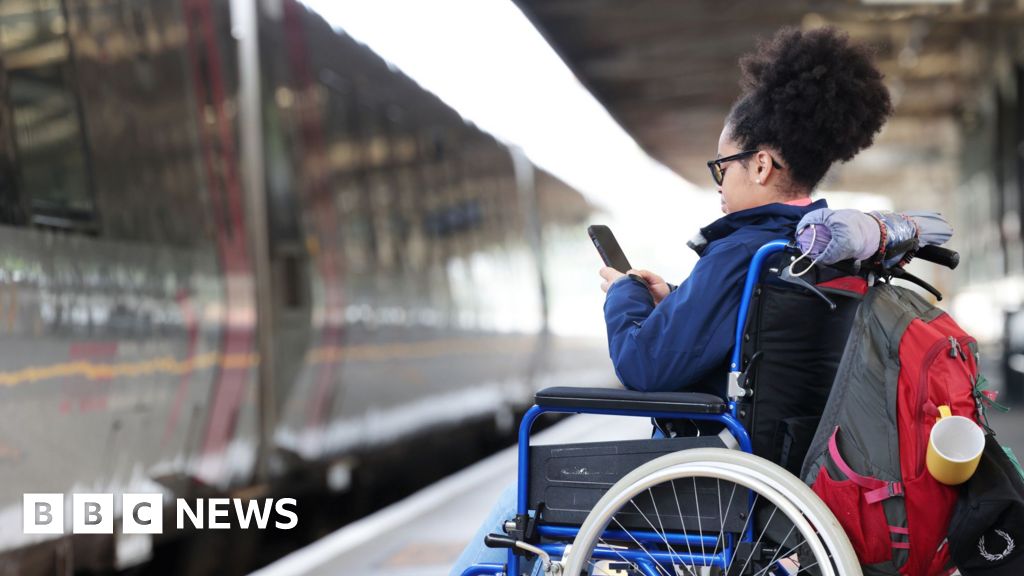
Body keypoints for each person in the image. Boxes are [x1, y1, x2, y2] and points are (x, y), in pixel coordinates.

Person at [451, 25, 892, 576]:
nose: (719, 182)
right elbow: (757, 328)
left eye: (723, 166)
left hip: (720, 479)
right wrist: (675, 299)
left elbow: (645, 367)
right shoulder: (810, 248)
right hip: (785, 467)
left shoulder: (744, 251)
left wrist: (625, 293)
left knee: (515, 504)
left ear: (760, 165)